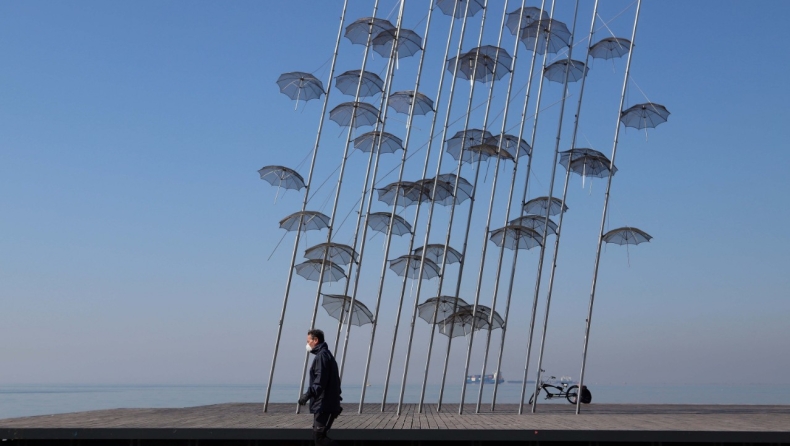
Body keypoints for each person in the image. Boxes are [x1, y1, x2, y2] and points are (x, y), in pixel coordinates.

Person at [298, 329, 342, 446]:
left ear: (315, 340)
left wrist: (307, 395)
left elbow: (320, 380)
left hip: (324, 405)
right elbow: (334, 380)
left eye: (308, 341)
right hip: (323, 404)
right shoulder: (325, 355)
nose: (307, 344)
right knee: (318, 437)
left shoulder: (322, 356)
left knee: (320, 438)